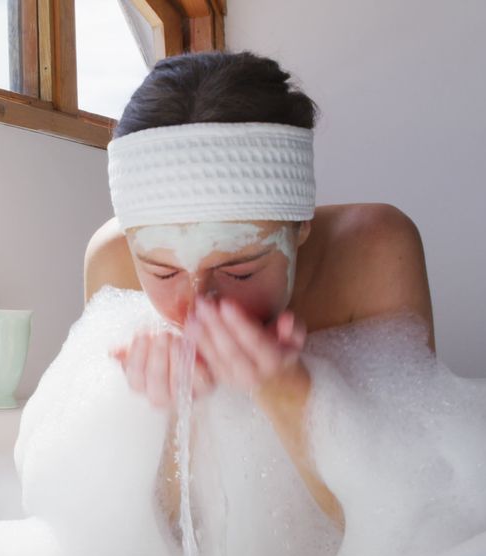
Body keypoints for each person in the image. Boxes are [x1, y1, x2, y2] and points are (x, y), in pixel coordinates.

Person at [83, 50, 435, 530]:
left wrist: (284, 392)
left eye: (240, 269)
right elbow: (142, 537)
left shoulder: (375, 251)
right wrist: (168, 418)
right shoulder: (112, 262)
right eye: (163, 272)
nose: (200, 307)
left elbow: (412, 526)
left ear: (301, 226)